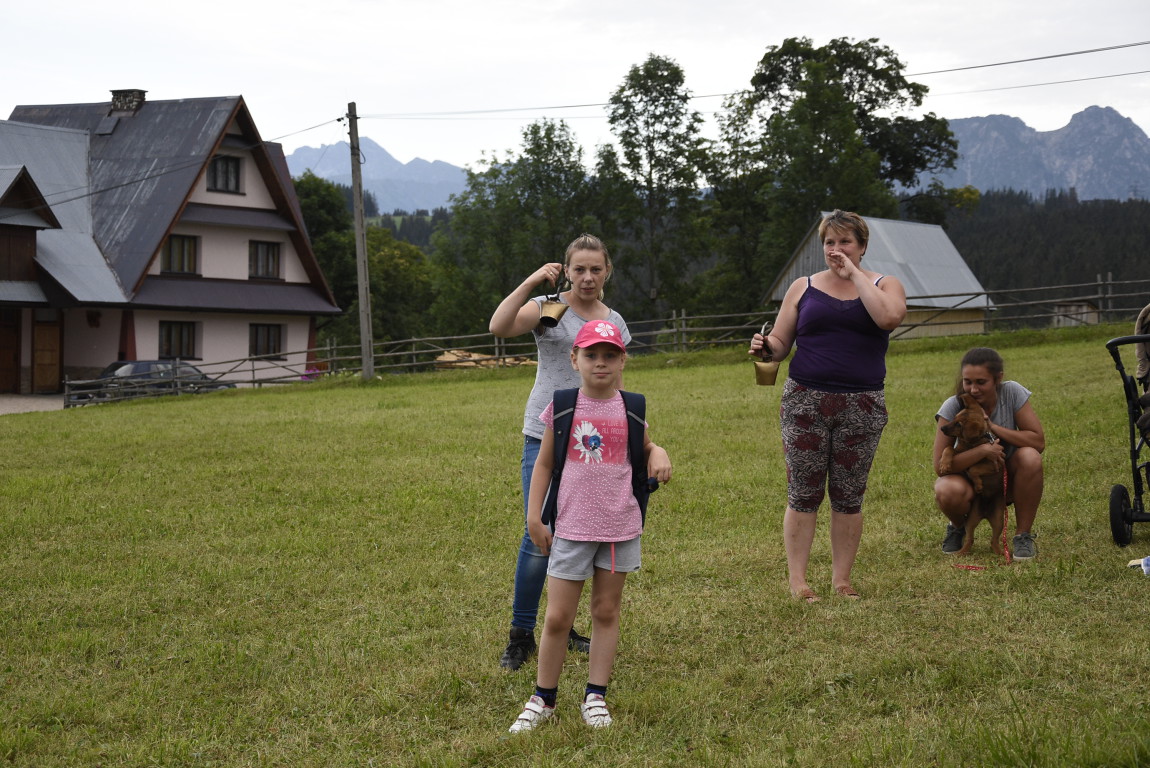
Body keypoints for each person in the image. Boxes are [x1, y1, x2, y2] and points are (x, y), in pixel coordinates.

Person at [490, 235, 650, 670]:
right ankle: (521, 633)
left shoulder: (613, 320)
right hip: (546, 434)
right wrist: (531, 283)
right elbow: (499, 327)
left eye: (596, 269)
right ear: (566, 270)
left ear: (607, 271)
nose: (588, 277)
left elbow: (617, 383)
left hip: (595, 441)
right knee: (540, 533)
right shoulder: (550, 309)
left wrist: (634, 441)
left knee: (582, 532)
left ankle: (564, 624)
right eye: (579, 269)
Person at [507, 319, 672, 733]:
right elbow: (544, 464)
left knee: (606, 611)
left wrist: (658, 452)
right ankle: (543, 698)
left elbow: (645, 447)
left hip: (619, 529)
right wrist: (534, 516)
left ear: (623, 361)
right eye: (591, 355)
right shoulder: (563, 406)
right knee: (558, 617)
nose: (601, 363)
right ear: (574, 359)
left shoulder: (632, 407)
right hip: (572, 529)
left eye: (610, 355)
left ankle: (595, 696)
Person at [749, 209, 906, 602]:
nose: (836, 249)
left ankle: (841, 580)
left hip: (862, 404)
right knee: (803, 491)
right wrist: (766, 347)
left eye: (845, 242)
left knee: (849, 494)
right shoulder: (802, 287)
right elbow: (781, 344)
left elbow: (889, 318)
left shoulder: (885, 284)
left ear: (862, 246)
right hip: (805, 401)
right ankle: (799, 582)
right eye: (830, 242)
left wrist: (854, 275)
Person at [933, 347, 1045, 559]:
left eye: (981, 382)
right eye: (968, 382)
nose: (973, 389)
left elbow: (1037, 441)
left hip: (1004, 479)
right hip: (969, 481)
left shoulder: (1011, 392)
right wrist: (984, 450)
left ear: (998, 378)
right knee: (945, 488)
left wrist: (991, 427)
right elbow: (940, 467)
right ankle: (958, 527)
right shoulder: (953, 405)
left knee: (1030, 457)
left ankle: (1023, 535)